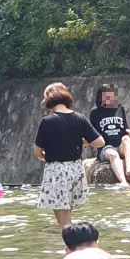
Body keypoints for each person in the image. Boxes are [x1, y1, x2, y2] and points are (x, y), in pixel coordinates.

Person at [33, 83, 105, 227]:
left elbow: (37, 152)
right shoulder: (80, 118)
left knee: (63, 222)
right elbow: (100, 142)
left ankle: (67, 244)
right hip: (76, 170)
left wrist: (46, 157)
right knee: (67, 215)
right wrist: (83, 142)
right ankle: (71, 241)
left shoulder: (47, 121)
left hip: (56, 170)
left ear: (49, 100)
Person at [88, 84, 130, 186]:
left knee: (126, 138)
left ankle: (129, 167)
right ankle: (123, 181)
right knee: (113, 154)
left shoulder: (120, 108)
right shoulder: (94, 112)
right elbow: (92, 133)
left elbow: (125, 128)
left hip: (120, 145)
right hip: (106, 148)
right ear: (100, 98)